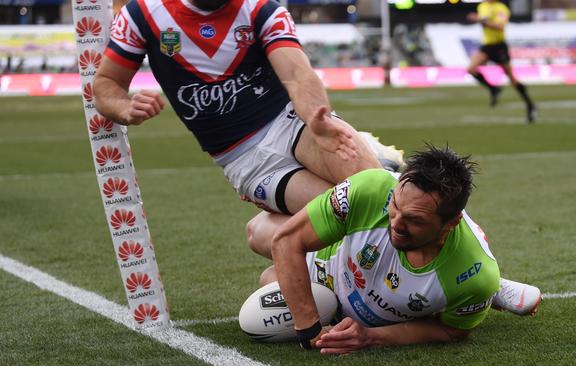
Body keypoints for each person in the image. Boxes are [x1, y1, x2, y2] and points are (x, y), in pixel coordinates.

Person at [94, 0, 401, 215]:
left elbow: (297, 75)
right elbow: (106, 83)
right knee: (343, 213)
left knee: (378, 193)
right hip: (244, 159)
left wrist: (317, 118)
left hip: (291, 122)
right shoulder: (142, 14)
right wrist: (124, 107)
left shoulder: (261, 10)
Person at [247, 145, 541, 354]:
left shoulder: (473, 276)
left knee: (271, 283)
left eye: (414, 220)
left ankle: (490, 290)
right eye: (395, 207)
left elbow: (452, 332)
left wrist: (370, 337)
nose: (396, 224)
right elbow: (286, 242)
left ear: (450, 223)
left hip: (461, 270)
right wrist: (309, 330)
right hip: (334, 257)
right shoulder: (372, 189)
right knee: (258, 234)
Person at [466, 0, 537, 123]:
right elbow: (483, 21)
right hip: (486, 46)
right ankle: (494, 89)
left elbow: (500, 26)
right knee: (471, 69)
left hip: (499, 47)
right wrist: (479, 19)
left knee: (512, 79)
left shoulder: (501, 8)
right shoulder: (482, 6)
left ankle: (530, 105)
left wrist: (480, 20)